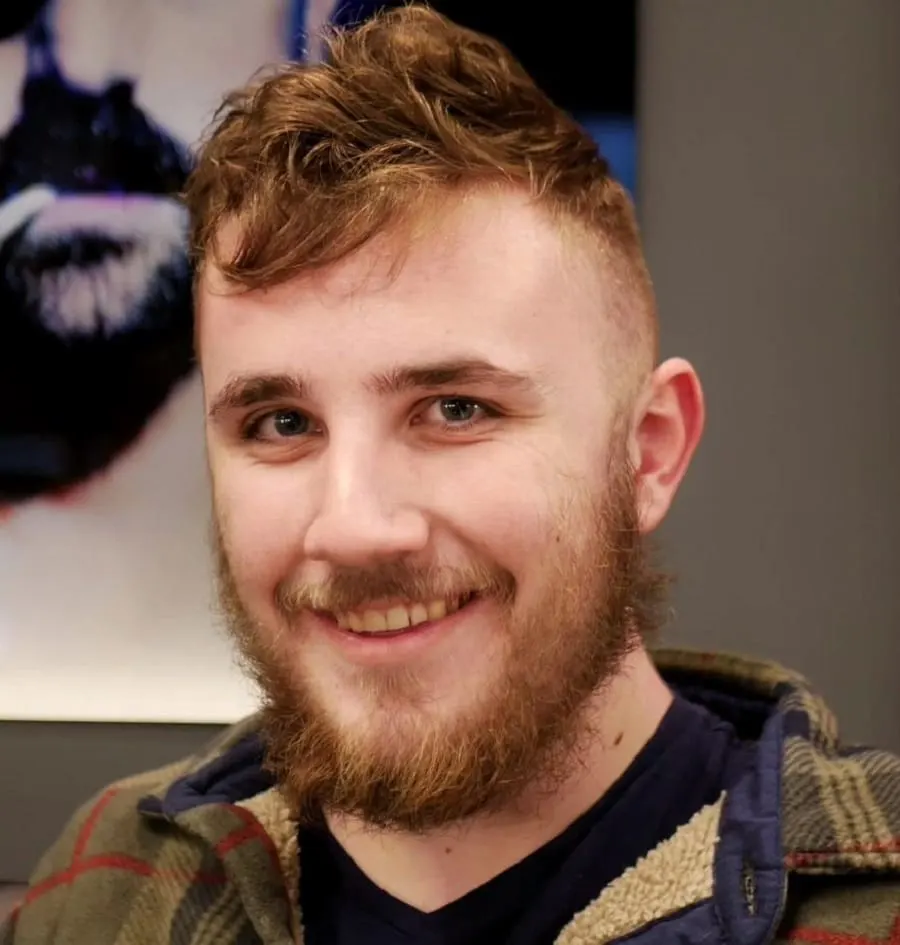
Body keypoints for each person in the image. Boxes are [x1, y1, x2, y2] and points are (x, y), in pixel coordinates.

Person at [5, 6, 899, 944]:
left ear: (650, 450)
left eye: (456, 409)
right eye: (281, 423)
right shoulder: (108, 886)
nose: (352, 526)